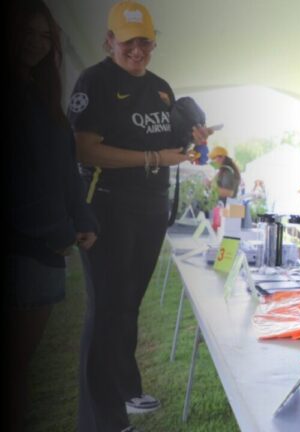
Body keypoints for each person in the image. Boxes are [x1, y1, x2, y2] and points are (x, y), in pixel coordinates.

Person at [67, 2, 213, 430]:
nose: (137, 50)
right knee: (106, 309)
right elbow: (83, 147)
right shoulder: (94, 80)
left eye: (145, 42)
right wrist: (151, 157)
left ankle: (126, 390)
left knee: (127, 307)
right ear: (109, 40)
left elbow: (175, 145)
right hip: (107, 207)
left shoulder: (162, 88)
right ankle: (100, 420)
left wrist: (194, 139)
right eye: (128, 41)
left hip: (150, 210)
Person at [6, 2, 97, 430]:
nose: (35, 42)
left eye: (45, 36)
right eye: (26, 31)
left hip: (44, 255)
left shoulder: (44, 101)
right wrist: (60, 229)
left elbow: (66, 172)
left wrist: (84, 220)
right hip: (25, 250)